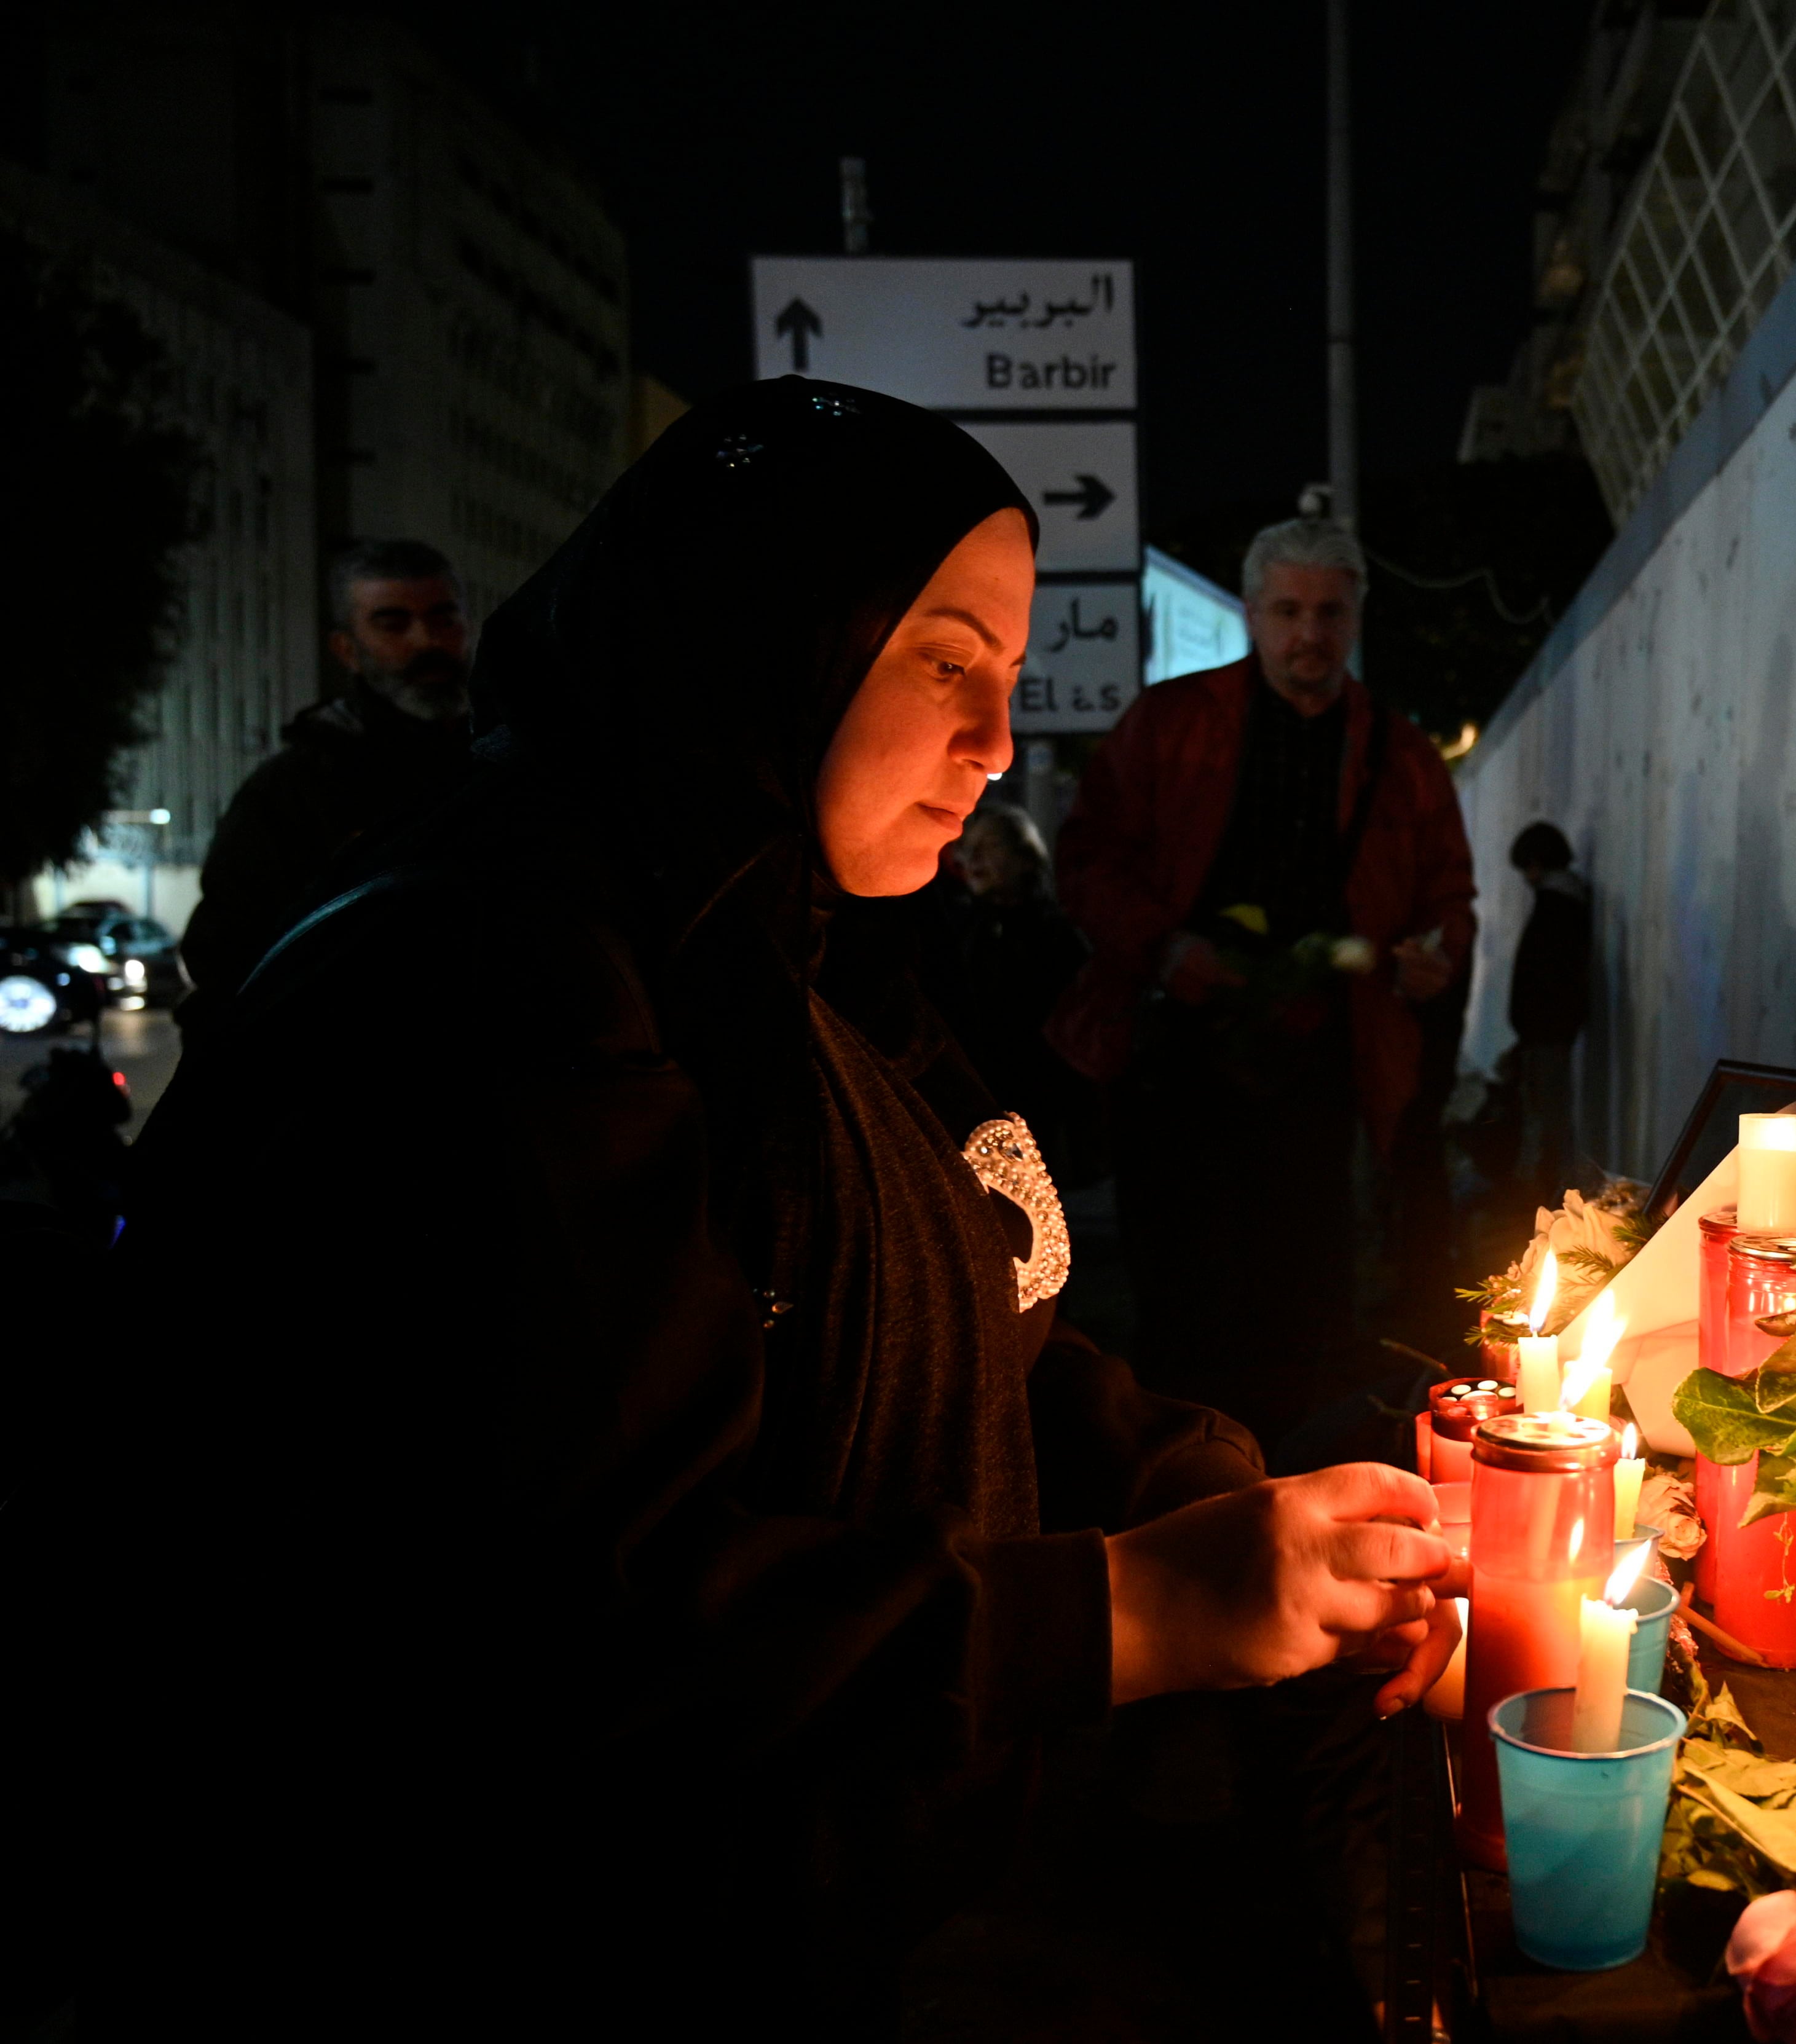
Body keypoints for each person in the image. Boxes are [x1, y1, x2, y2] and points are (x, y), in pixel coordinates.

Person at [109, 381, 1461, 2042]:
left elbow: (986, 1295)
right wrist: (1132, 1607)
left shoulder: (797, 947)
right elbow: (579, 1618)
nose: (989, 741)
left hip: (834, 1909)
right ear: (769, 633)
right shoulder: (503, 985)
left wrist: (1254, 1512)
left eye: (1011, 680)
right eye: (942, 658)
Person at [1050, 517, 1475, 1447]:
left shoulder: (1399, 756)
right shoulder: (1169, 724)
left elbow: (1449, 893)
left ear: (1357, 614)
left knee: (1303, 1300)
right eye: (1288, 609)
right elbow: (1085, 860)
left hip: (1321, 1069)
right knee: (1180, 1299)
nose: (1308, 633)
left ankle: (1280, 1484)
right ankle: (1177, 1490)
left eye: (1328, 610)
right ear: (1251, 612)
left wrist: (1433, 949)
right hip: (1176, 1062)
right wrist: (1163, 947)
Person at [175, 538, 476, 1033]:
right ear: (346, 649)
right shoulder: (292, 791)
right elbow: (226, 958)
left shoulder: (509, 763)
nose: (427, 641)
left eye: (444, 618)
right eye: (393, 623)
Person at [920, 804, 1104, 1186]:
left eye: (990, 846)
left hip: (1039, 1097)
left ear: (1023, 858)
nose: (973, 858)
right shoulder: (958, 929)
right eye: (969, 847)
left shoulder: (1057, 936)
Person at [1505, 821, 1590, 1198]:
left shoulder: (1555, 905)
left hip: (1547, 1030)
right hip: (1554, 1028)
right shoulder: (1568, 901)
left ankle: (1553, 1196)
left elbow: (1542, 974)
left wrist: (1527, 1025)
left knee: (1550, 1115)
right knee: (1552, 1114)